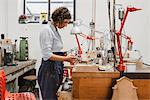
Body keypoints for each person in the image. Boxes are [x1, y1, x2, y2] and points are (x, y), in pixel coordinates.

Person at [38, 7, 75, 100]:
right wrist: (66, 58)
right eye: (66, 22)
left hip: (55, 68)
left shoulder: (54, 29)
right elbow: (48, 55)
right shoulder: (46, 30)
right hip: (49, 70)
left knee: (55, 96)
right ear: (59, 19)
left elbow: (55, 49)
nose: (66, 25)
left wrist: (67, 54)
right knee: (49, 97)